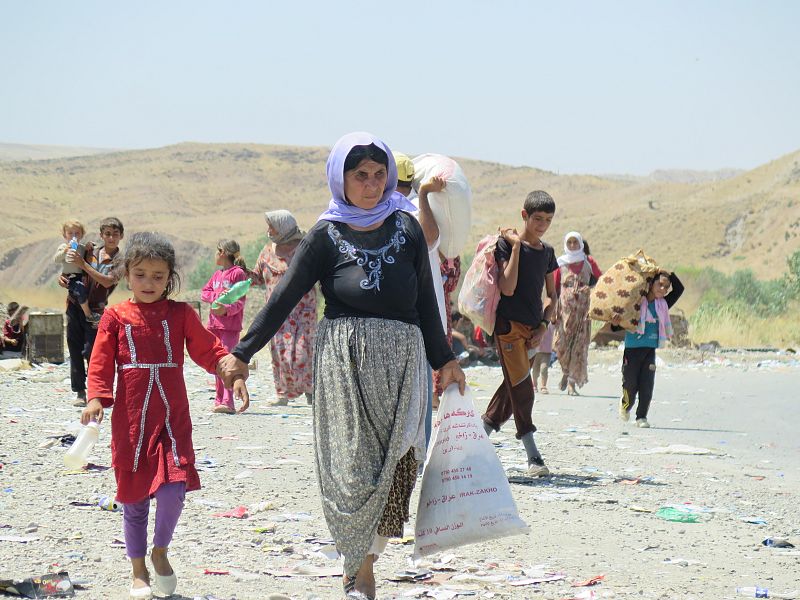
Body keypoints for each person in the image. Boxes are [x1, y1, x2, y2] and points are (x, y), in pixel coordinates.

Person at [217, 132, 465, 600]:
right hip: (343, 360)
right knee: (351, 467)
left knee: (399, 465)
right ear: (341, 179)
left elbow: (427, 304)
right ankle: (354, 564)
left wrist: (445, 360)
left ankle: (368, 560)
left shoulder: (407, 227)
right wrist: (243, 352)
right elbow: (284, 295)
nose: (372, 185)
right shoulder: (325, 235)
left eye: (379, 175)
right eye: (360, 176)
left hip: (404, 357)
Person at [81, 232, 249, 599]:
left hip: (173, 418)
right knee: (134, 497)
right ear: (127, 275)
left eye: (158, 276)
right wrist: (96, 398)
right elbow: (100, 361)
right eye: (140, 274)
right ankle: (138, 569)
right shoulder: (116, 315)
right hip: (131, 420)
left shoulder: (181, 314)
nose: (149, 283)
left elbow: (210, 350)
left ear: (169, 277)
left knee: (175, 488)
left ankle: (161, 550)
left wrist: (232, 373)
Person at [481, 190, 558, 478]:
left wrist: (543, 326)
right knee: (523, 389)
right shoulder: (506, 245)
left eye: (548, 220)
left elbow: (552, 295)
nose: (542, 225)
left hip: (532, 331)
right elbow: (508, 288)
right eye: (537, 219)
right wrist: (515, 248)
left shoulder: (548, 253)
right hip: (508, 328)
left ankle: (477, 437)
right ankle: (533, 456)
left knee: (512, 387)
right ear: (524, 215)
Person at [393, 151, 449, 443]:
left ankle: (416, 449)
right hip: (410, 310)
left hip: (416, 309)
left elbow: (429, 238)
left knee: (417, 383)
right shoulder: (378, 210)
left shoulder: (413, 207)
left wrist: (425, 195)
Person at [250, 210, 317, 407]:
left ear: (283, 227)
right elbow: (257, 277)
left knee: (304, 351)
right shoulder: (267, 251)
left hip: (303, 311)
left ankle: (310, 392)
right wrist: (241, 274)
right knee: (279, 351)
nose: (268, 230)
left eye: (272, 226)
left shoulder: (305, 249)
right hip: (277, 312)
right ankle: (282, 393)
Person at [59, 217, 125, 407]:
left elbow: (107, 281)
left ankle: (98, 391)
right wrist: (62, 279)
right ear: (101, 235)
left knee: (93, 351)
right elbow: (72, 267)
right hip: (73, 305)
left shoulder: (121, 261)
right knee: (74, 348)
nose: (111, 238)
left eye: (115, 234)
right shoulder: (90, 250)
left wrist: (83, 265)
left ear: (121, 236)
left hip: (96, 310)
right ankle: (80, 392)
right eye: (107, 234)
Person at [612, 270, 684, 427]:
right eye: (660, 284)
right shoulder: (636, 302)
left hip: (650, 349)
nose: (663, 289)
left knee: (647, 385)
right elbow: (616, 326)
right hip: (632, 349)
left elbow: (679, 289)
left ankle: (641, 417)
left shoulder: (663, 304)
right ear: (650, 284)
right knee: (630, 384)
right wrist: (616, 323)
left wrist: (667, 273)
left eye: (666, 287)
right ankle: (625, 405)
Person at [201, 239, 249, 414]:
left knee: (229, 363)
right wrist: (216, 296)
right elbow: (204, 293)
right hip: (214, 326)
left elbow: (240, 301)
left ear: (222, 253)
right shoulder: (216, 275)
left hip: (229, 327)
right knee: (217, 362)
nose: (215, 255)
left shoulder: (238, 274)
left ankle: (228, 402)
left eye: (216, 251)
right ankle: (219, 400)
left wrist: (226, 310)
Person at [553, 231, 602, 396]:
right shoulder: (559, 263)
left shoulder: (588, 262)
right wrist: (551, 311)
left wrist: (590, 291)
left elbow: (601, 280)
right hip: (564, 312)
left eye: (576, 242)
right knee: (562, 346)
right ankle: (565, 373)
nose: (573, 245)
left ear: (580, 244)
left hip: (582, 312)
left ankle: (572, 383)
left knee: (579, 347)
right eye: (570, 242)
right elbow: (552, 289)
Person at [53, 220, 101, 324]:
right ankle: (88, 314)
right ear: (65, 235)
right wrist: (65, 251)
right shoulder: (63, 247)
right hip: (69, 277)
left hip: (81, 276)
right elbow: (56, 259)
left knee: (83, 290)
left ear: (82, 235)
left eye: (77, 233)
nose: (73, 235)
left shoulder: (82, 248)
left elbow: (91, 256)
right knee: (79, 287)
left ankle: (86, 311)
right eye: (70, 233)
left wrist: (90, 246)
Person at [531, 322, 555, 394]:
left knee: (544, 369)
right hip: (536, 351)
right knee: (535, 370)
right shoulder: (536, 322)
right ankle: (534, 385)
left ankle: (543, 386)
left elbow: (555, 326)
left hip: (546, 352)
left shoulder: (551, 324)